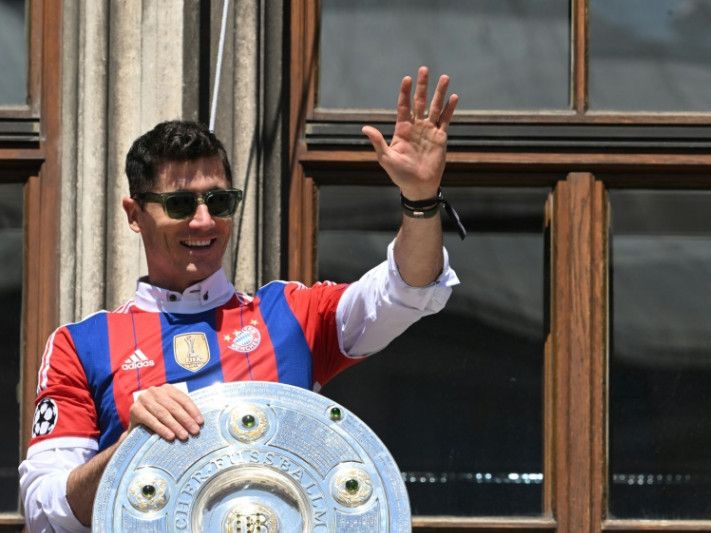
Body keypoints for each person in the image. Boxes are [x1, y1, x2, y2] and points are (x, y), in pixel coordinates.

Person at [18, 66, 459, 532]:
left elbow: (408, 291)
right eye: (180, 204)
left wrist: (420, 199)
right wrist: (130, 448)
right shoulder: (79, 344)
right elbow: (44, 511)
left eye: (220, 201)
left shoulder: (291, 313)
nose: (204, 221)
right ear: (135, 214)